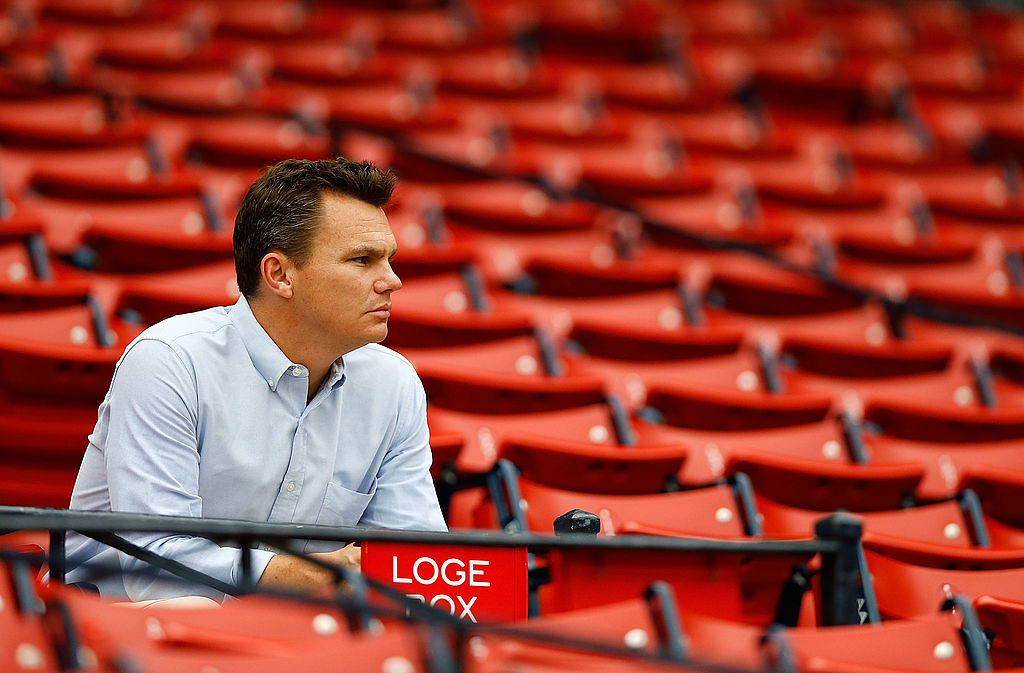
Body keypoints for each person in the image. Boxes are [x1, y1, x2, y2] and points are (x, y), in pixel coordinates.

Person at [64, 157, 447, 600]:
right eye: (363, 260)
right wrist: (309, 574)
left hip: (301, 641)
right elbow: (155, 567)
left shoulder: (394, 382)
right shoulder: (169, 361)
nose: (393, 281)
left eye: (389, 260)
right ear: (279, 275)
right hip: (119, 634)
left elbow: (419, 563)